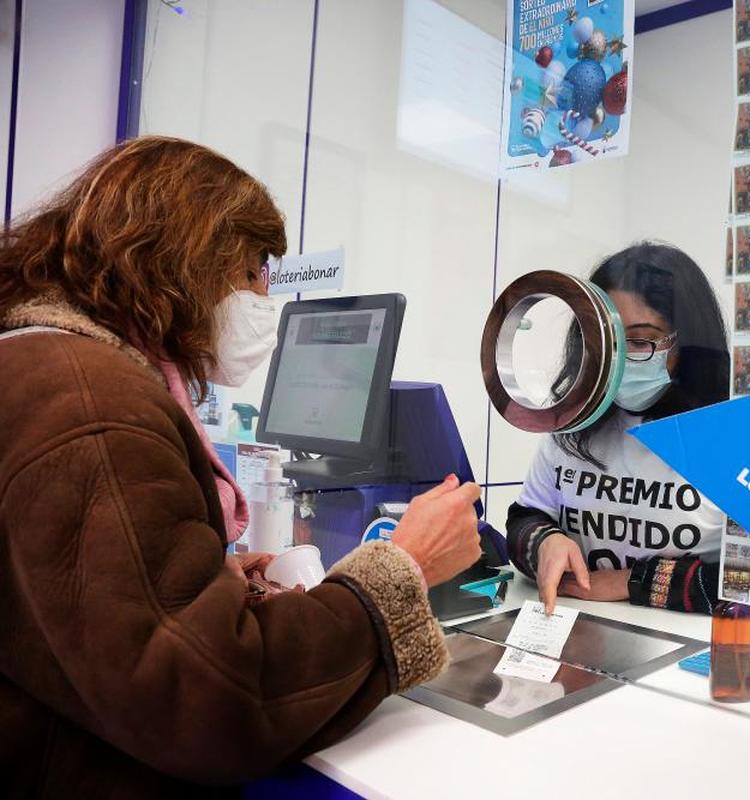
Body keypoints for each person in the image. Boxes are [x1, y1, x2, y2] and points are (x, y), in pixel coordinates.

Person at [0, 136, 483, 797]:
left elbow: (83, 615)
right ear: (189, 257)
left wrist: (206, 579)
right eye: (257, 266)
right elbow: (209, 701)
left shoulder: (43, 365)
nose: (264, 291)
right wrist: (404, 570)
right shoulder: (92, 406)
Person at [507, 243, 731, 614]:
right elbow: (525, 518)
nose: (622, 359)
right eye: (608, 341)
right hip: (579, 632)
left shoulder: (729, 436)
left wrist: (632, 581)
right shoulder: (574, 427)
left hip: (691, 657)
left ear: (688, 343)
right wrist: (544, 541)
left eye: (641, 340)